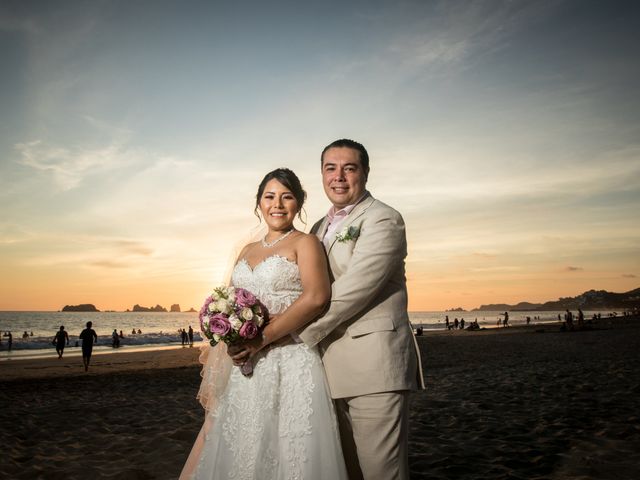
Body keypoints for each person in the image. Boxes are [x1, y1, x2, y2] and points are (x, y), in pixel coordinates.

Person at [180, 168, 348, 479]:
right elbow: (230, 300)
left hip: (290, 358)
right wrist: (231, 336)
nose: (278, 205)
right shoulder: (246, 250)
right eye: (269, 197)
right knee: (244, 442)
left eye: (287, 197)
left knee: (289, 445)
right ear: (259, 203)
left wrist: (262, 339)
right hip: (247, 365)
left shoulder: (306, 243)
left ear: (299, 203)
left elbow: (316, 298)